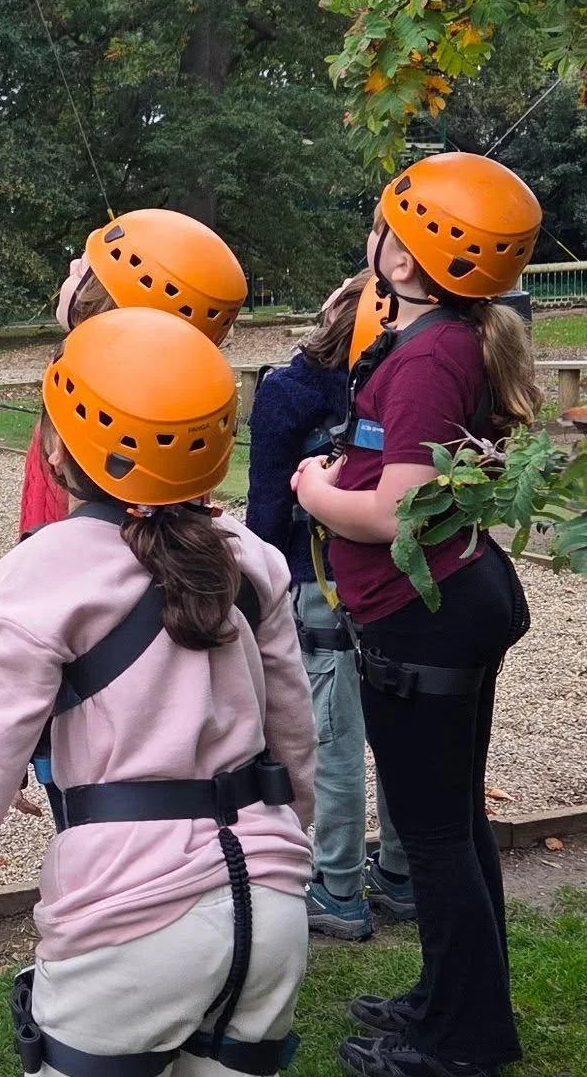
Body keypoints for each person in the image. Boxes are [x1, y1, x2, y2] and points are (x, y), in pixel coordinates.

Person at [0, 307, 316, 1076]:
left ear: (57, 445)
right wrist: (289, 836)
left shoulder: (43, 576)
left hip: (131, 918)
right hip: (269, 907)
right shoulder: (253, 560)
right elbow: (295, 735)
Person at [294, 153, 543, 1077]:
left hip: (420, 612)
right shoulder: (450, 341)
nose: (374, 238)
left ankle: (466, 1040)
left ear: (401, 262)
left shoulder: (431, 356)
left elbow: (394, 511)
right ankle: (452, 999)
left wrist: (314, 490)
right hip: (441, 605)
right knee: (453, 823)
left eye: (383, 225)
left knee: (435, 832)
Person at [247, 273, 415, 940]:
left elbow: (265, 504)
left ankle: (338, 885)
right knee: (398, 729)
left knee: (332, 736)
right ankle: (401, 873)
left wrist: (254, 585)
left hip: (314, 575)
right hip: (396, 577)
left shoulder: (288, 391)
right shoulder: (404, 389)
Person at [20, 210, 248, 535]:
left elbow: (56, 544)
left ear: (102, 302)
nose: (73, 266)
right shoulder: (181, 416)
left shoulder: (80, 408)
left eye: (86, 267)